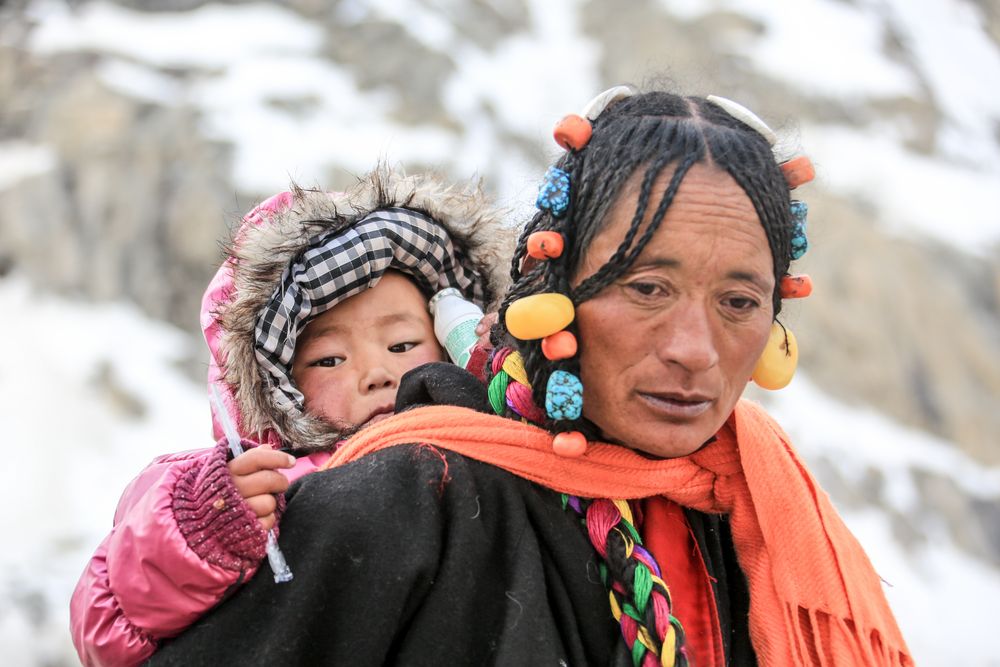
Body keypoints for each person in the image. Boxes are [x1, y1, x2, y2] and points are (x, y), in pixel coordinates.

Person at [146, 89, 912, 666]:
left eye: (740, 302)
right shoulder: (404, 499)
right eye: (647, 287)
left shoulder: (761, 514)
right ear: (551, 285)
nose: (693, 349)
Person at [69, 167, 517, 667]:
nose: (376, 373)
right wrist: (205, 531)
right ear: (279, 384)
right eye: (329, 360)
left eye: (402, 345)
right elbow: (104, 628)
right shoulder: (253, 485)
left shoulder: (500, 443)